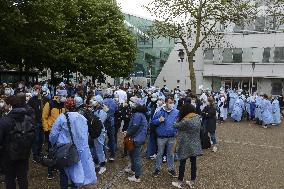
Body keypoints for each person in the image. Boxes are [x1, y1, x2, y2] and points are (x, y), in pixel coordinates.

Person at [49, 98, 97, 189]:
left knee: (64, 173)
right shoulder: (82, 118)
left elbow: (53, 135)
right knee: (76, 171)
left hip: (65, 149)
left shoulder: (61, 117)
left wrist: (53, 144)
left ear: (65, 106)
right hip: (78, 149)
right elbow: (85, 134)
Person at [0, 96, 35, 189]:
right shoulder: (28, 118)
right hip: (24, 153)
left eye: (6, 104)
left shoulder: (4, 121)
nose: (4, 106)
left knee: (10, 178)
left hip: (8, 155)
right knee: (23, 177)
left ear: (10, 106)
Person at [171, 104, 203, 189]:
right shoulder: (198, 118)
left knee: (182, 163)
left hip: (185, 145)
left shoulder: (186, 121)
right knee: (193, 163)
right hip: (195, 144)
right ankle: (192, 181)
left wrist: (179, 117)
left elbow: (175, 125)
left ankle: (179, 181)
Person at [151, 96, 179, 178]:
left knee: (171, 154)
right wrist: (159, 120)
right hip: (161, 137)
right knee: (160, 153)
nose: (171, 104)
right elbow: (152, 122)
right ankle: (157, 169)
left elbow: (180, 122)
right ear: (165, 102)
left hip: (172, 137)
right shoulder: (159, 111)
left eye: (172, 102)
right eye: (169, 102)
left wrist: (177, 129)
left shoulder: (176, 112)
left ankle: (171, 169)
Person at [42, 90, 66, 179]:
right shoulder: (50, 103)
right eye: (64, 96)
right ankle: (50, 170)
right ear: (59, 96)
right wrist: (46, 129)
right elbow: (44, 117)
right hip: (51, 130)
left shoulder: (64, 104)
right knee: (51, 150)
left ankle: (57, 166)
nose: (65, 97)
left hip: (61, 131)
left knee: (59, 150)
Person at [124, 97, 148, 183]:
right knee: (132, 154)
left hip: (137, 139)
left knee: (136, 157)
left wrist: (127, 133)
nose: (130, 103)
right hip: (135, 137)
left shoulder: (138, 114)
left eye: (131, 102)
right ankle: (133, 169)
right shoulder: (138, 113)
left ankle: (137, 176)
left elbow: (135, 126)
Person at [28, 85, 48, 162]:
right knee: (35, 138)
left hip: (42, 121)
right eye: (35, 89)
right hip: (35, 122)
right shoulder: (32, 100)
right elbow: (29, 110)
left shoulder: (44, 99)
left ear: (41, 90)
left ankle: (39, 152)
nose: (37, 90)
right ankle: (35, 154)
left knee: (41, 138)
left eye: (38, 89)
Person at [91, 95, 108, 175]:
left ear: (99, 102)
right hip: (95, 132)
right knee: (95, 149)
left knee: (100, 149)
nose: (92, 101)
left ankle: (103, 166)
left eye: (94, 100)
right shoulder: (95, 110)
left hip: (99, 132)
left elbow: (99, 123)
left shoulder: (102, 112)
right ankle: (97, 162)